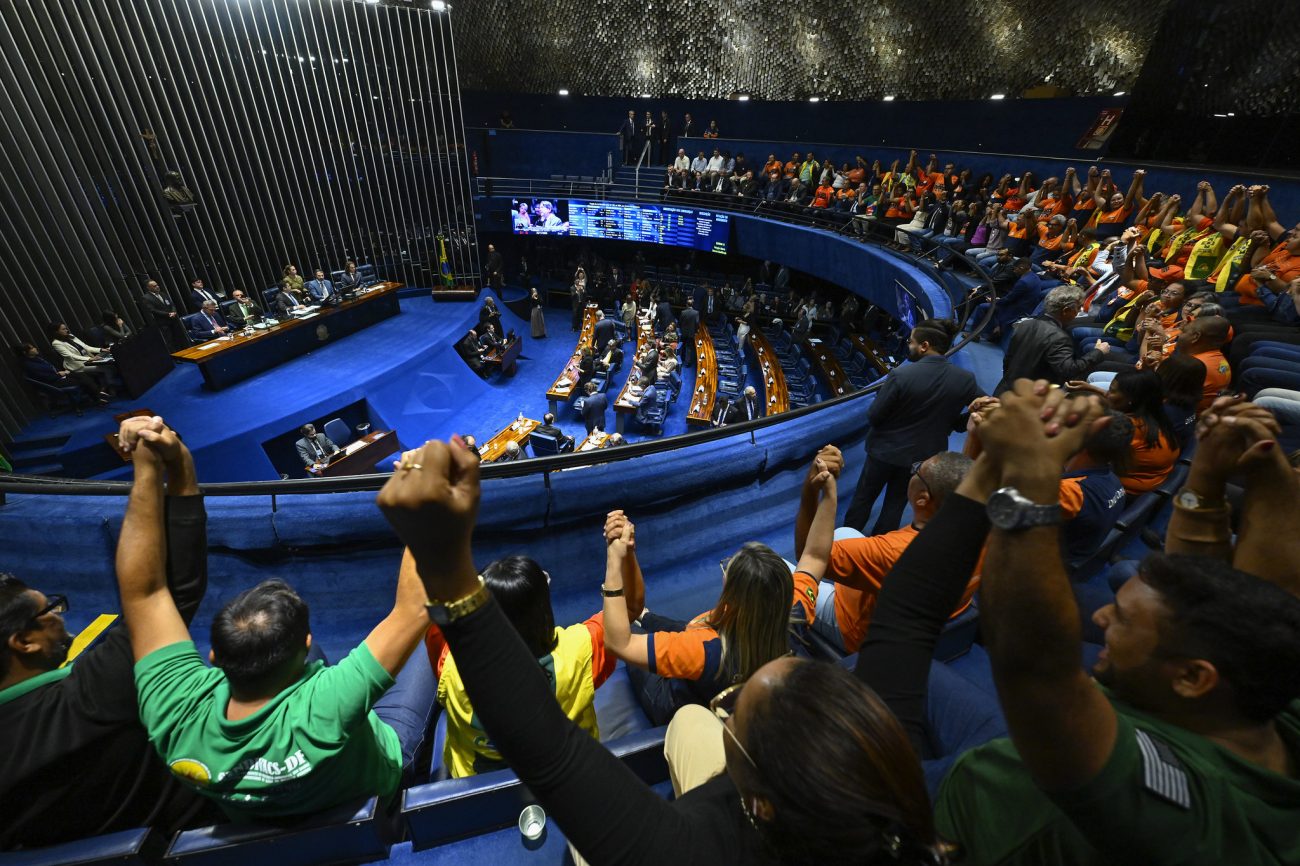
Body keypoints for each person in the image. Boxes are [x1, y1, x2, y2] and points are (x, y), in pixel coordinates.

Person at [375, 438, 943, 864]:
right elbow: (854, 583)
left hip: (474, 767)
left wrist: (434, 550)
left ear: (757, 800)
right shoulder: (794, 624)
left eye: (739, 716)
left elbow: (556, 741)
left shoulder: (701, 654)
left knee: (687, 712)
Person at [936, 383, 1300, 865]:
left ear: (1193, 677)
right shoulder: (1268, 695)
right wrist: (1227, 474)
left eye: (1124, 620)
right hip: (994, 756)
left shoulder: (1191, 814)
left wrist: (1025, 475)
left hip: (971, 829)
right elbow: (1268, 592)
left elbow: (1037, 668)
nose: (1103, 616)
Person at [119, 416, 437, 822]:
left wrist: (152, 468)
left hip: (270, 811)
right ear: (305, 648)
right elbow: (413, 608)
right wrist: (425, 498)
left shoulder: (176, 712)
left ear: (214, 656)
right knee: (432, 634)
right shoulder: (326, 705)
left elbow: (143, 591)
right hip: (380, 776)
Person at [0, 415, 216, 849]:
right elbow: (162, 591)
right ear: (22, 641)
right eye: (50, 610)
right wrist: (168, 466)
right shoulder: (92, 697)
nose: (60, 616)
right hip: (212, 833)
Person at [601, 450, 836, 728]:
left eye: (729, 570)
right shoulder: (794, 612)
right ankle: (648, 617)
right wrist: (830, 496)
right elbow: (816, 557)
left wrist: (615, 560)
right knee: (679, 626)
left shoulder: (703, 650)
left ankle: (644, 623)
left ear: (733, 599)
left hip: (676, 701)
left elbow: (620, 643)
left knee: (638, 636)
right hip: (728, 672)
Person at [426, 517, 643, 777]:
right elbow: (630, 608)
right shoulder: (580, 649)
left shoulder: (453, 663)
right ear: (542, 610)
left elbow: (433, 603)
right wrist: (621, 553)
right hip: (573, 787)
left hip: (481, 797)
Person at [806, 450, 978, 655]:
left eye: (917, 471)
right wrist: (975, 436)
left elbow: (809, 554)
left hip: (857, 628)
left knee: (773, 566)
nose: (913, 471)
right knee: (845, 532)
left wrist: (817, 491)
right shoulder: (982, 527)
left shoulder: (894, 551)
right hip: (921, 612)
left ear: (922, 499)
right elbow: (966, 483)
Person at [844, 319, 982, 534]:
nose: (908, 346)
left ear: (924, 346)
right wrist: (956, 423)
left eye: (911, 342)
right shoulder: (965, 379)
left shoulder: (901, 375)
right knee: (895, 505)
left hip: (884, 451)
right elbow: (984, 407)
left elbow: (874, 416)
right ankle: (879, 550)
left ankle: (846, 546)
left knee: (863, 499)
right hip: (922, 457)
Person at [995, 286, 1109, 394]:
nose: (1079, 312)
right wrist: (1098, 352)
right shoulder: (1059, 338)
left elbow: (1008, 359)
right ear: (1066, 310)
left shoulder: (1025, 324)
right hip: (1029, 397)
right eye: (1078, 308)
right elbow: (1068, 371)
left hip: (1005, 388)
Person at [14, 342, 107, 404]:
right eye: (32, 348)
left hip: (58, 376)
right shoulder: (29, 365)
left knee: (84, 375)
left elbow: (49, 369)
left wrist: (61, 373)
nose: (35, 348)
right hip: (53, 383)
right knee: (82, 378)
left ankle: (97, 395)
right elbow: (45, 377)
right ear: (25, 352)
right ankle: (97, 397)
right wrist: (60, 374)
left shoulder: (36, 359)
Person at [47, 322, 114, 395]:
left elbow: (86, 347)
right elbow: (70, 356)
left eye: (66, 328)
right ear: (56, 332)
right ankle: (109, 389)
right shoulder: (56, 343)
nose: (66, 330)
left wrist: (101, 349)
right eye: (63, 329)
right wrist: (89, 359)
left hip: (88, 360)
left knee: (110, 365)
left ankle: (104, 388)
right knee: (107, 368)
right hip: (78, 366)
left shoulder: (70, 336)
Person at [140, 280, 187, 350]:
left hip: (173, 319)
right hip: (163, 323)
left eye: (157, 285)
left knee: (179, 338)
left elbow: (172, 304)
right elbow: (153, 310)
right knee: (170, 340)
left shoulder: (162, 294)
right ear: (148, 288)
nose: (157, 287)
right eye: (154, 286)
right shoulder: (146, 298)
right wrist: (168, 314)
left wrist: (173, 311)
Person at [679, 297, 700, 366]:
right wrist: (696, 331)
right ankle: (687, 362)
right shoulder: (696, 313)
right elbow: (697, 323)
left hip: (683, 332)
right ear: (692, 305)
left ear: (686, 305)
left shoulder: (683, 312)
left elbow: (680, 322)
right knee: (689, 347)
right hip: (691, 333)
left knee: (682, 345)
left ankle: (680, 360)